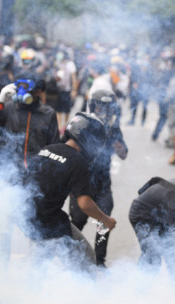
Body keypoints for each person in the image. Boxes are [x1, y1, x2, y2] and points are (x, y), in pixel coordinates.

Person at [23, 121, 117, 271]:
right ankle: (81, 292)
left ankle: (31, 289)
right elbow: (84, 203)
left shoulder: (47, 149)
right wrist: (105, 220)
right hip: (51, 223)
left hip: (28, 217)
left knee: (38, 267)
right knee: (87, 263)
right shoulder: (78, 162)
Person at [0, 72, 60, 263]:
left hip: (36, 180)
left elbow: (54, 147)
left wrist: (51, 178)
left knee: (36, 228)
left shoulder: (48, 114)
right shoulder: (9, 107)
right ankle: (1, 268)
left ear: (39, 92)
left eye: (30, 90)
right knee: (6, 226)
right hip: (9, 176)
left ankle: (35, 275)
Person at [65, 89, 128, 267]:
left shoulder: (113, 127)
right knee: (76, 222)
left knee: (105, 221)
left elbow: (123, 154)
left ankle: (99, 260)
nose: (105, 111)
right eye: (102, 107)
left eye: (109, 108)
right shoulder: (82, 124)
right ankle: (72, 259)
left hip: (103, 182)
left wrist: (116, 143)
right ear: (93, 106)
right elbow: (64, 146)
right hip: (81, 181)